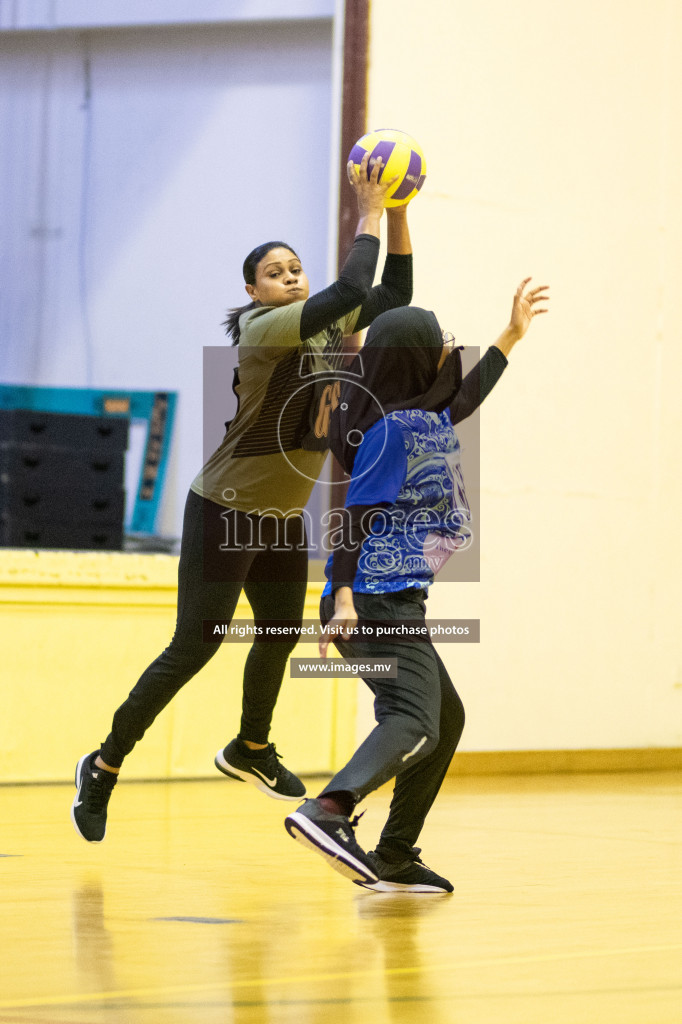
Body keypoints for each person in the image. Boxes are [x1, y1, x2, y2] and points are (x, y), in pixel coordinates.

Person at [71, 153, 414, 843]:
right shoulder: (266, 329)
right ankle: (104, 765)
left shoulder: (319, 325)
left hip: (282, 519)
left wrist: (401, 208)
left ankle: (249, 748)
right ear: (255, 291)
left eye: (296, 268)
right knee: (194, 647)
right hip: (225, 507)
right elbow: (351, 285)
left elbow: (395, 291)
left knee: (281, 632)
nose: (290, 275)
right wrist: (369, 210)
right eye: (275, 272)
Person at [285, 279, 550, 892]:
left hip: (397, 601)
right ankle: (328, 810)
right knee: (417, 721)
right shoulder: (392, 433)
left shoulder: (422, 418)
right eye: (441, 341)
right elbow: (350, 519)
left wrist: (510, 337)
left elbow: (467, 397)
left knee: (445, 718)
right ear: (413, 355)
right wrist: (343, 601)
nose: (450, 349)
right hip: (370, 602)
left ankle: (395, 854)